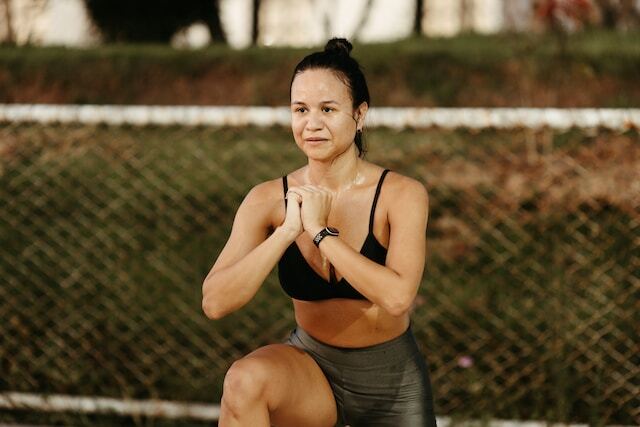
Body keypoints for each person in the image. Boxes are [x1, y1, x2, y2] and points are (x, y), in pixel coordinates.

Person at [202, 38, 437, 427]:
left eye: (328, 109)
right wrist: (286, 233)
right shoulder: (268, 199)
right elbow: (215, 302)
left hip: (389, 381)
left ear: (359, 115)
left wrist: (320, 233)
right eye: (300, 110)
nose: (312, 124)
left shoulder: (402, 195)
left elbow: (397, 298)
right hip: (311, 371)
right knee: (243, 382)